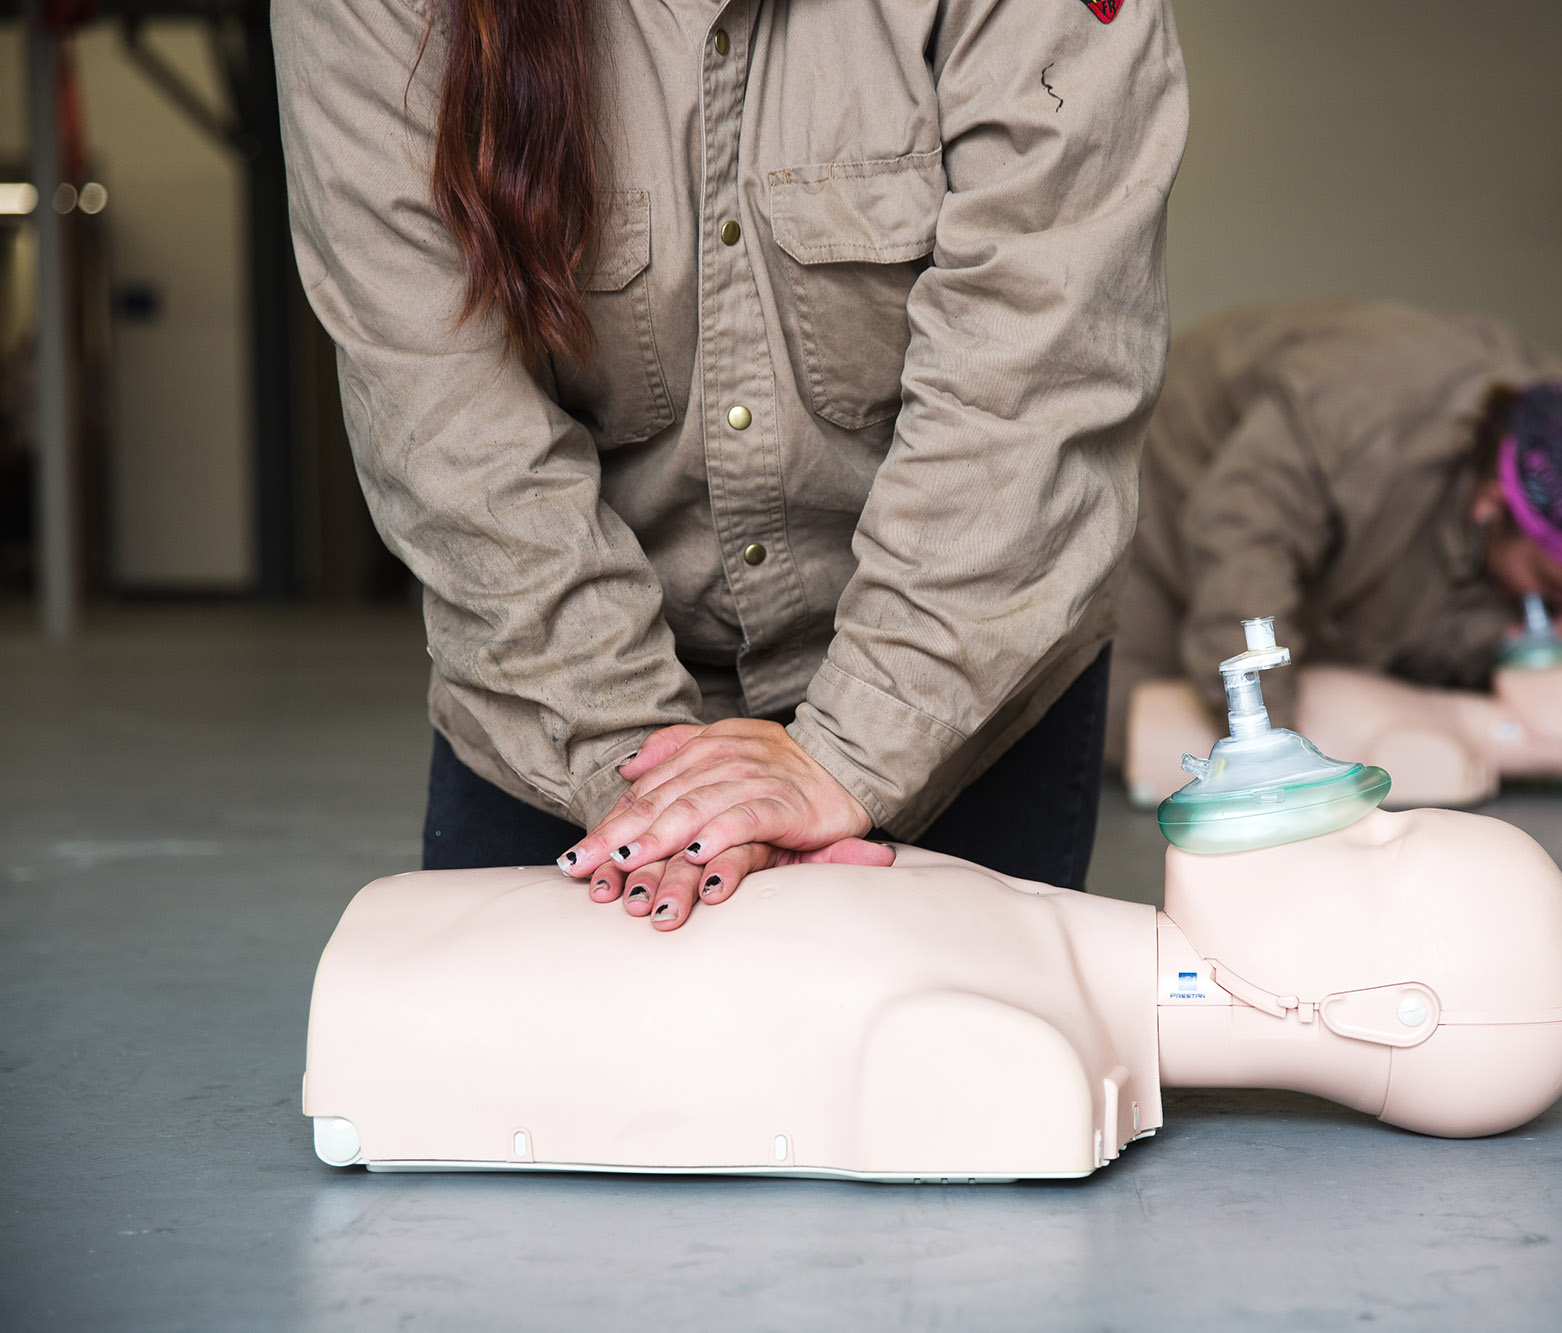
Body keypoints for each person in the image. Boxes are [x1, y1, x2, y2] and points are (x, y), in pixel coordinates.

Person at [273, 0, 1189, 927]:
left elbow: (1036, 367)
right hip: (558, 700)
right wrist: (655, 788)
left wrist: (852, 748)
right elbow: (445, 416)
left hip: (956, 689)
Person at [1109, 300, 1562, 763]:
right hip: (1174, 477)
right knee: (1140, 722)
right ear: (1491, 505)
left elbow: (1422, 610)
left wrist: (1514, 640)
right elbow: (1242, 559)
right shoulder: (1353, 421)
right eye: (1548, 583)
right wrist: (1273, 754)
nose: (1557, 604)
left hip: (1354, 508)